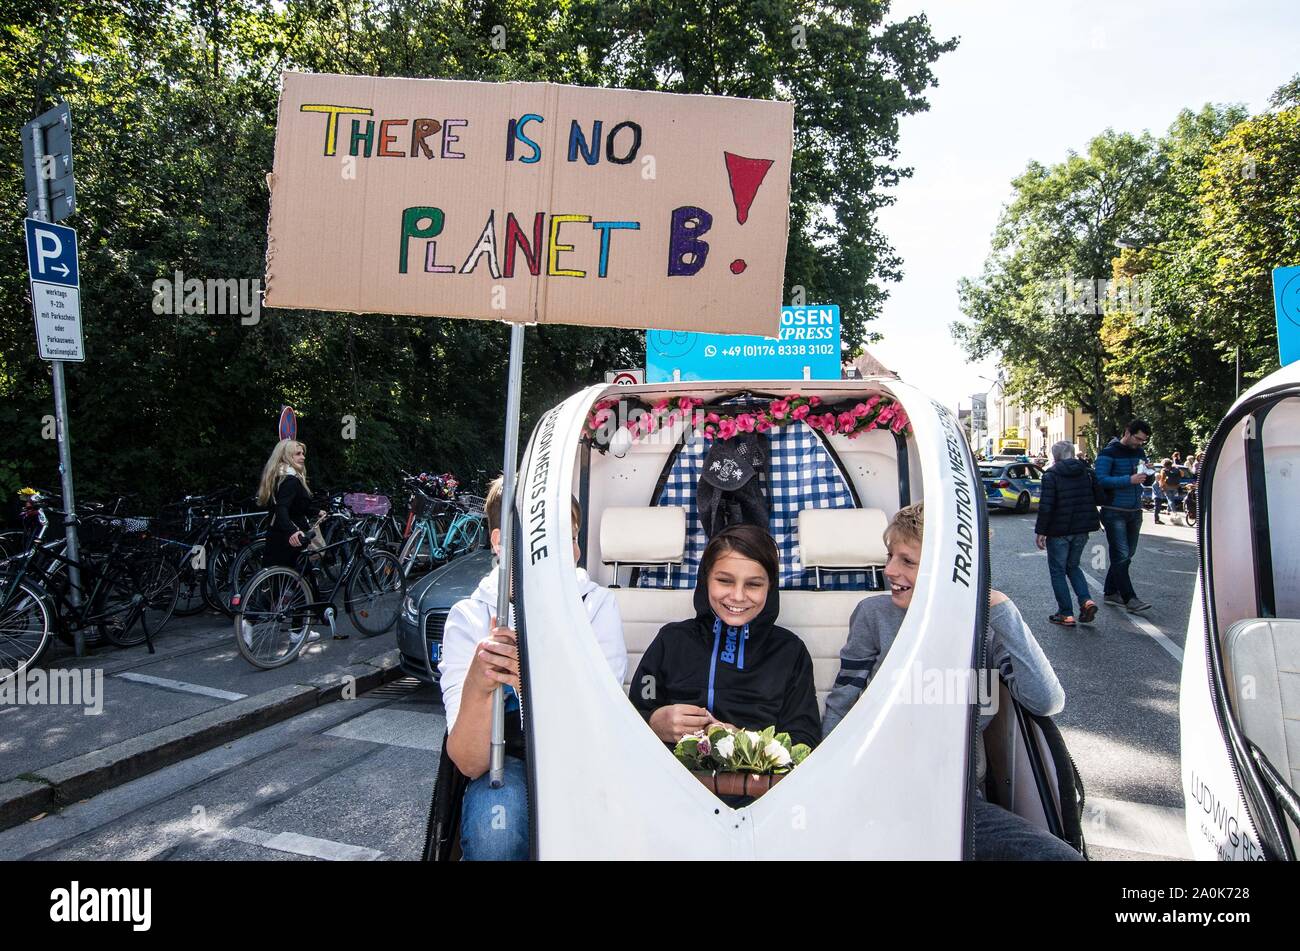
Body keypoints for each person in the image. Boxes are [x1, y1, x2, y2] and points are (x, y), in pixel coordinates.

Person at [822, 503, 1079, 861]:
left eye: (908, 561)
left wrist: (1000, 607)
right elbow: (842, 701)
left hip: (960, 805)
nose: (890, 570)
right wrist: (829, 786)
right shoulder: (873, 615)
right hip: (876, 795)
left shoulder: (986, 626)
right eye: (890, 556)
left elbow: (1047, 701)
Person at [438, 478, 627, 861]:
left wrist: (529, 685)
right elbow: (470, 761)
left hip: (583, 764)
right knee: (497, 836)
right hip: (504, 764)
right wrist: (479, 685)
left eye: (571, 538)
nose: (567, 552)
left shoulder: (596, 608)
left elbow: (600, 734)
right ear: (498, 543)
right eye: (545, 540)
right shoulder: (469, 619)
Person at [629, 523, 820, 757]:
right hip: (669, 783)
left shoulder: (790, 652)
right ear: (705, 580)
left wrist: (745, 742)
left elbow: (805, 739)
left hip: (758, 790)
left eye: (753, 584)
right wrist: (653, 721)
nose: (738, 596)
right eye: (725, 581)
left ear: (770, 588)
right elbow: (640, 700)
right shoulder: (670, 641)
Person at [1034, 441, 1103, 626]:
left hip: (1058, 531)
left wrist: (1041, 531)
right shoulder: (1087, 472)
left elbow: (1046, 506)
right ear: (1072, 454)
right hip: (1082, 529)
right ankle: (1086, 600)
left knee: (1058, 571)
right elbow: (1100, 496)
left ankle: (1066, 614)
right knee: (1073, 566)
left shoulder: (1051, 475)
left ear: (1055, 457)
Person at [1094, 419, 1153, 614]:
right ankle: (1130, 598)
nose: (1140, 443)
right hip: (1114, 510)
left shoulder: (1139, 452)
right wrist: (1129, 479)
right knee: (1121, 555)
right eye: (1138, 439)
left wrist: (1149, 473)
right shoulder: (1107, 453)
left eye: (1143, 441)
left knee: (1127, 555)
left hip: (1134, 511)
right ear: (1127, 432)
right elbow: (1101, 480)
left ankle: (1111, 592)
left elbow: (1145, 480)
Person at [1153, 457, 1182, 525]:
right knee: (1171, 498)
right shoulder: (1176, 469)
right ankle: (1168, 510)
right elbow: (1182, 475)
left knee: (1170, 500)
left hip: (1167, 487)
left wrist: (1162, 487)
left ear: (1164, 464)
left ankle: (1174, 512)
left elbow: (1162, 480)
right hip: (1175, 486)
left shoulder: (1164, 470)